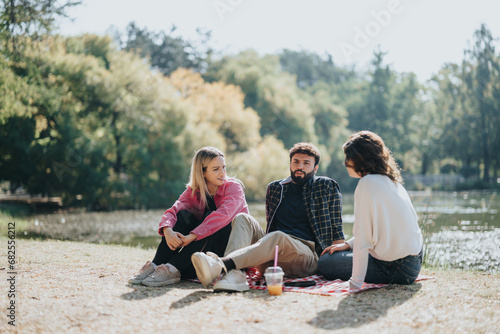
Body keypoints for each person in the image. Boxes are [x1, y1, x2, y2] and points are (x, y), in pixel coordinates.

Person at [190, 142, 345, 292]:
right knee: (243, 218)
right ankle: (234, 275)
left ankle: (220, 265)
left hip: (306, 258)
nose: (300, 166)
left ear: (315, 167)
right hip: (273, 257)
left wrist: (337, 263)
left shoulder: (326, 186)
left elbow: (337, 228)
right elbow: (271, 225)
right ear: (290, 164)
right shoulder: (276, 188)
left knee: (277, 237)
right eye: (296, 162)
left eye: (306, 163)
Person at [128, 146, 249, 287]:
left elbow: (222, 216)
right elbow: (173, 210)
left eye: (223, 167)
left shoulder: (234, 187)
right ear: (202, 172)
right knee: (182, 215)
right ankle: (156, 265)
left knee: (211, 218)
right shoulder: (194, 191)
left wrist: (192, 236)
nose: (222, 173)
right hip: (198, 254)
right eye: (216, 169)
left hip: (223, 257)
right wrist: (168, 230)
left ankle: (173, 268)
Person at [318, 131, 423, 290]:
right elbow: (379, 230)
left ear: (360, 158)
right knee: (336, 254)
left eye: (348, 157)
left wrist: (355, 284)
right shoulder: (391, 181)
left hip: (396, 269)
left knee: (325, 262)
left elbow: (364, 240)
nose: (346, 162)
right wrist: (348, 244)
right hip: (414, 263)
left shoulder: (367, 183)